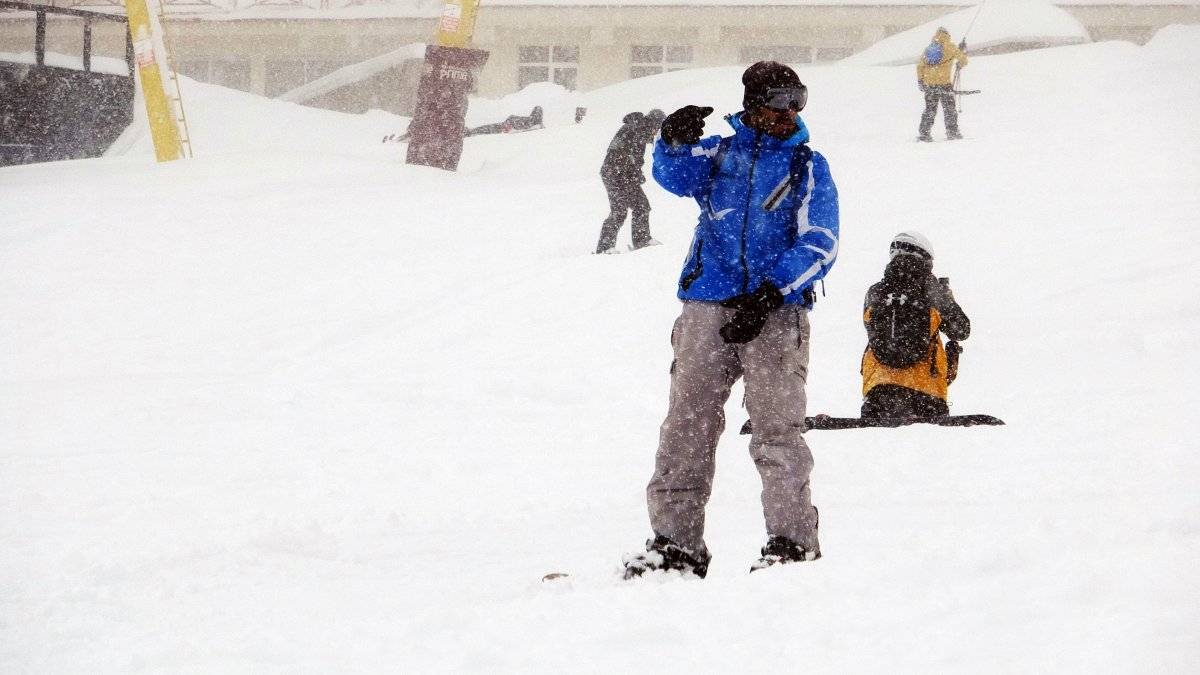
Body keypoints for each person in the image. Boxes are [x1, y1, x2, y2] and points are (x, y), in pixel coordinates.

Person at [622, 61, 840, 578]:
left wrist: (770, 293)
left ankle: (791, 545)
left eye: (799, 99)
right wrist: (672, 140)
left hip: (775, 313)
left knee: (777, 433)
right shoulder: (719, 154)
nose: (791, 112)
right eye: (780, 100)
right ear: (751, 103)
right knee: (687, 427)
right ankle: (674, 545)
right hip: (708, 307)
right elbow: (674, 177)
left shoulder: (806, 165)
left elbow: (821, 239)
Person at [860, 232, 970, 418]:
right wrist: (948, 300)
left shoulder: (875, 292)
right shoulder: (932, 289)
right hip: (926, 392)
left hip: (878, 391)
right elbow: (961, 330)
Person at [594, 109, 666, 254]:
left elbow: (632, 158)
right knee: (620, 210)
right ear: (654, 124)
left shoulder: (638, 128)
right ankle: (605, 248)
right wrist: (633, 174)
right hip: (615, 175)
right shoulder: (636, 129)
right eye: (658, 129)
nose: (656, 135)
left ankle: (642, 240)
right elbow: (624, 155)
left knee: (641, 206)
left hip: (621, 174)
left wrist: (635, 174)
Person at [916, 27, 968, 142]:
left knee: (930, 110)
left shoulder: (929, 48)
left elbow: (920, 66)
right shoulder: (951, 46)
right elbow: (964, 60)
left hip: (929, 85)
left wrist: (920, 81)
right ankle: (952, 132)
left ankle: (924, 134)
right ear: (947, 35)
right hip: (944, 84)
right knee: (949, 109)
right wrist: (961, 52)